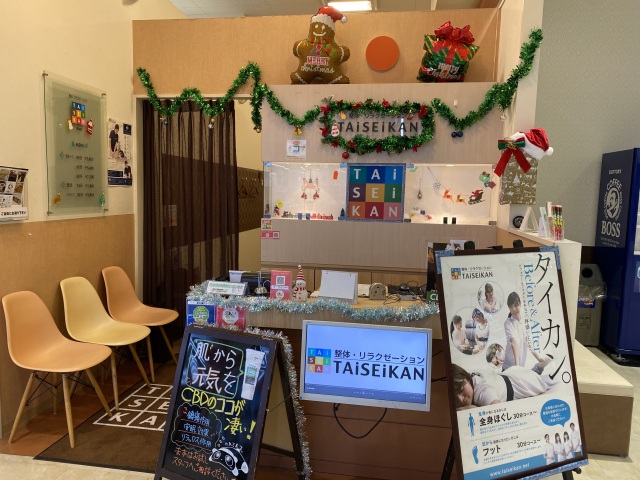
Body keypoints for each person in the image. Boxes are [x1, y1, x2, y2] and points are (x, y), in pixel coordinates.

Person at [451, 360, 555, 409]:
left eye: (460, 390)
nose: (460, 399)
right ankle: (538, 367)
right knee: (531, 373)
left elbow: (498, 410)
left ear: (465, 378)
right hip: (511, 374)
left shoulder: (482, 391)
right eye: (454, 399)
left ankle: (539, 368)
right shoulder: (471, 377)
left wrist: (473, 410)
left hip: (520, 385)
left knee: (542, 382)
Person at [503, 292, 550, 372]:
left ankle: (537, 367)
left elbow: (528, 342)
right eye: (511, 306)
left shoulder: (525, 322)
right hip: (508, 368)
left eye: (516, 305)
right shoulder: (508, 323)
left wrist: (539, 358)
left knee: (544, 363)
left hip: (520, 368)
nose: (514, 309)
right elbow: (514, 343)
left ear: (520, 304)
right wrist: (517, 367)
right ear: (509, 308)